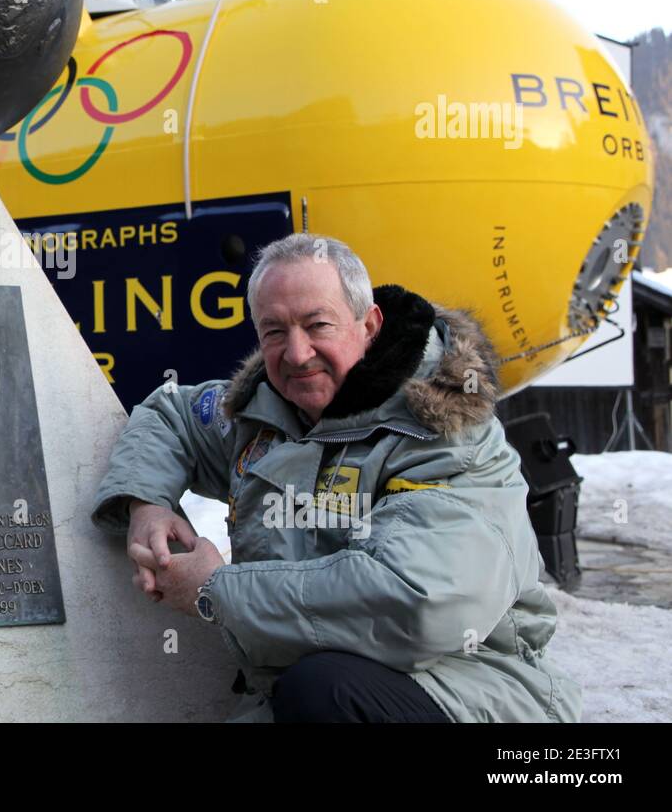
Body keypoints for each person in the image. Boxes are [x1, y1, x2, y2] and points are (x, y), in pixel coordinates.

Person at [91, 233, 582, 723]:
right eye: (274, 331)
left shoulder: (444, 435)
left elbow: (416, 602)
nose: (297, 353)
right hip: (298, 694)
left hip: (467, 690)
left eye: (317, 324)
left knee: (323, 689)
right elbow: (170, 413)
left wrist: (215, 590)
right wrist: (146, 502)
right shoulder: (267, 414)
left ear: (368, 325)